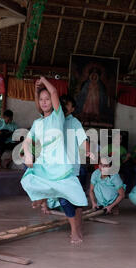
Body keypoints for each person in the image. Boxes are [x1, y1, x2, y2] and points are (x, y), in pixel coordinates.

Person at [21, 77, 88, 244]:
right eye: (41, 100)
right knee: (28, 179)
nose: (44, 102)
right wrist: (28, 153)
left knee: (68, 200)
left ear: (54, 102)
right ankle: (41, 198)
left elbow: (54, 91)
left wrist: (43, 80)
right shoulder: (37, 123)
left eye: (47, 99)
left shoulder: (58, 117)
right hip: (44, 167)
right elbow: (27, 141)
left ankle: (75, 231)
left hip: (62, 167)